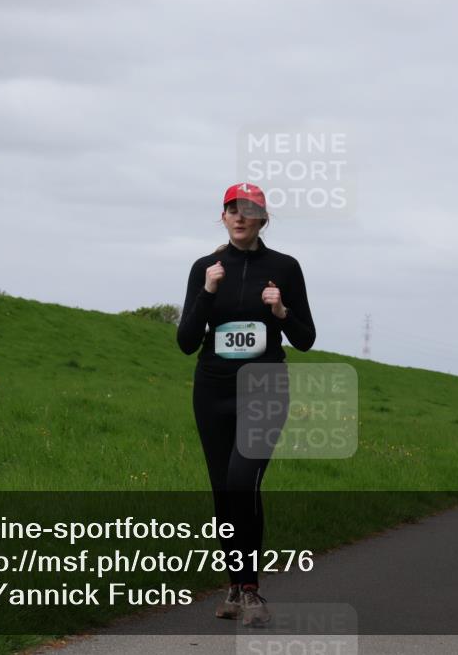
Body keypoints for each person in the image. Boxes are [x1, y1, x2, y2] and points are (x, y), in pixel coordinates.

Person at [177, 182, 316, 627]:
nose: (240, 217)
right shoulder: (205, 267)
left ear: (263, 218)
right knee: (223, 491)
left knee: (242, 481)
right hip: (212, 389)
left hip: (265, 388)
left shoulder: (285, 268)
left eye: (249, 210)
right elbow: (184, 341)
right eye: (232, 210)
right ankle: (235, 587)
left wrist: (280, 313)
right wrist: (207, 292)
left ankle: (252, 589)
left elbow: (306, 339)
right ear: (223, 217)